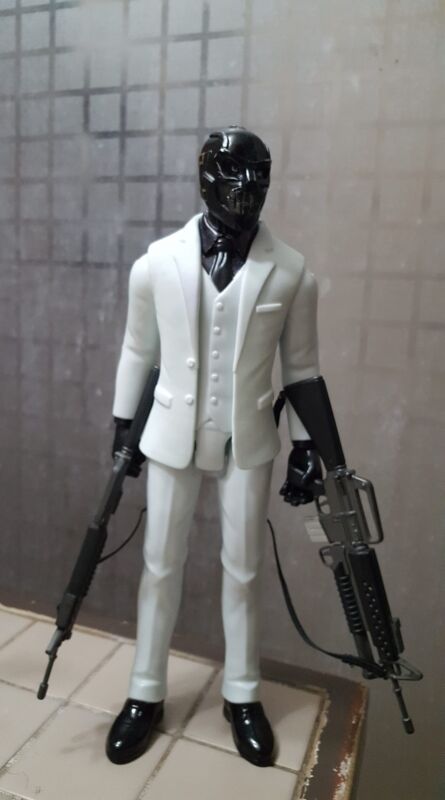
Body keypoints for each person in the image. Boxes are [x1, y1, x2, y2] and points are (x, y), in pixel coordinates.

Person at [106, 126, 322, 767]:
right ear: (205, 179)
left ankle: (242, 691)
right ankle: (146, 689)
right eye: (234, 174)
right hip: (171, 432)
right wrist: (123, 422)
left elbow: (302, 370)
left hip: (247, 439)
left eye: (260, 176)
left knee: (244, 569)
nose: (249, 188)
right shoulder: (155, 264)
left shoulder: (292, 272)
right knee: (160, 564)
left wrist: (306, 445)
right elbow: (138, 347)